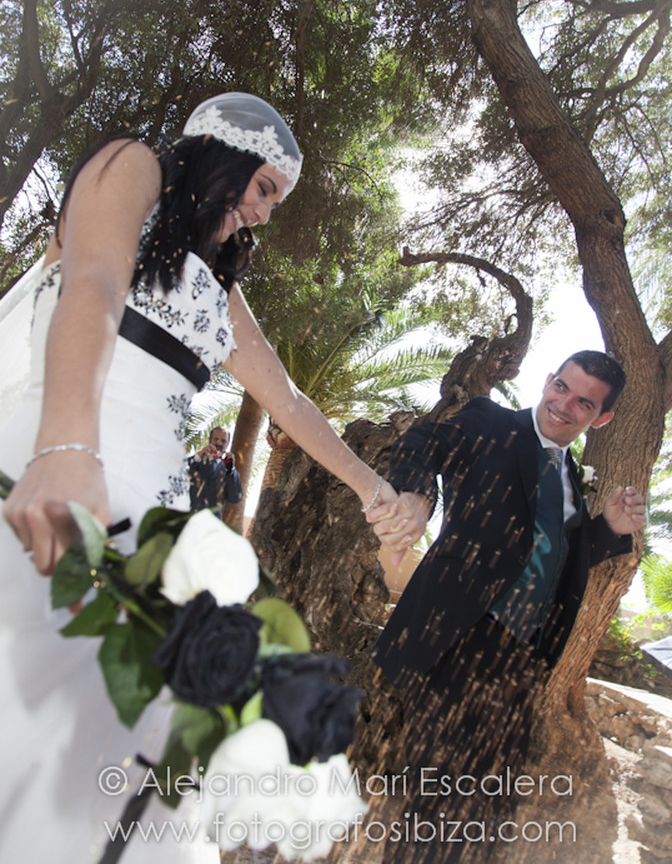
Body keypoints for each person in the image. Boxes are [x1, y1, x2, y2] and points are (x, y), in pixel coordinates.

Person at [0, 92, 396, 864]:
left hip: (152, 511)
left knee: (130, 738)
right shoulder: (131, 167)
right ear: (224, 160)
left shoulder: (220, 298)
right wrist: (66, 444)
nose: (266, 216)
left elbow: (288, 400)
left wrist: (369, 489)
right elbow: (95, 284)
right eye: (265, 191)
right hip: (63, 457)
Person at [367, 350, 646, 863]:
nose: (563, 404)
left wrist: (607, 530)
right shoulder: (490, 422)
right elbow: (423, 441)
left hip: (523, 663)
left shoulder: (571, 477)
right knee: (436, 803)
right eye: (561, 386)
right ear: (548, 380)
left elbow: (557, 558)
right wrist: (417, 495)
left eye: (583, 403)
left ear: (601, 418)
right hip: (458, 640)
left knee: (491, 807)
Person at [188, 426, 243, 514]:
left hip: (213, 523)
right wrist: (198, 457)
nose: (219, 443)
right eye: (216, 439)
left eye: (223, 441)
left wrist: (231, 470)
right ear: (210, 439)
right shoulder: (197, 462)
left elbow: (235, 498)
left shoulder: (229, 471)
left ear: (228, 443)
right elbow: (180, 472)